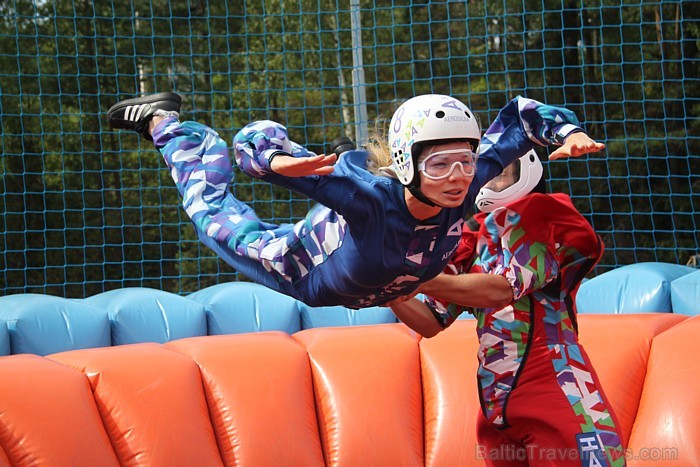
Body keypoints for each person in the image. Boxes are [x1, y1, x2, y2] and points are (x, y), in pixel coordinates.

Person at [106, 91, 604, 309]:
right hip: (305, 262)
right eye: (438, 164)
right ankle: (169, 128)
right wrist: (278, 162)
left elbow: (519, 120)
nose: (456, 178)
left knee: (347, 175)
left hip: (378, 273)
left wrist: (569, 130)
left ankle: (346, 156)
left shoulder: (470, 183)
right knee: (212, 216)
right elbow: (248, 148)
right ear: (409, 164)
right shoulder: (372, 201)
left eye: (465, 161)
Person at [388, 151, 626, 466]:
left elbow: (502, 290)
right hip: (495, 404)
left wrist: (419, 281)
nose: (491, 177)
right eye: (487, 169)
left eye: (503, 170)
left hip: (557, 389)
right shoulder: (473, 237)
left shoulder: (539, 216)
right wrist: (388, 289)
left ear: (527, 168)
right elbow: (431, 322)